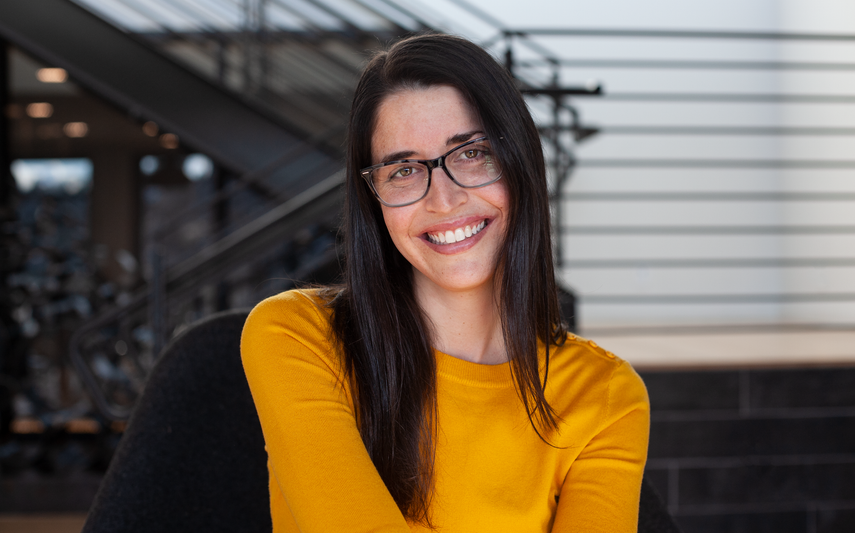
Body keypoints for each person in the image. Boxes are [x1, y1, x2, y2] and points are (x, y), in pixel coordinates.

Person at [241, 33, 649, 532]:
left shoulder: (605, 395)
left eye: (472, 154)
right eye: (404, 170)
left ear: (518, 163)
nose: (443, 200)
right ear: (375, 199)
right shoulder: (297, 336)